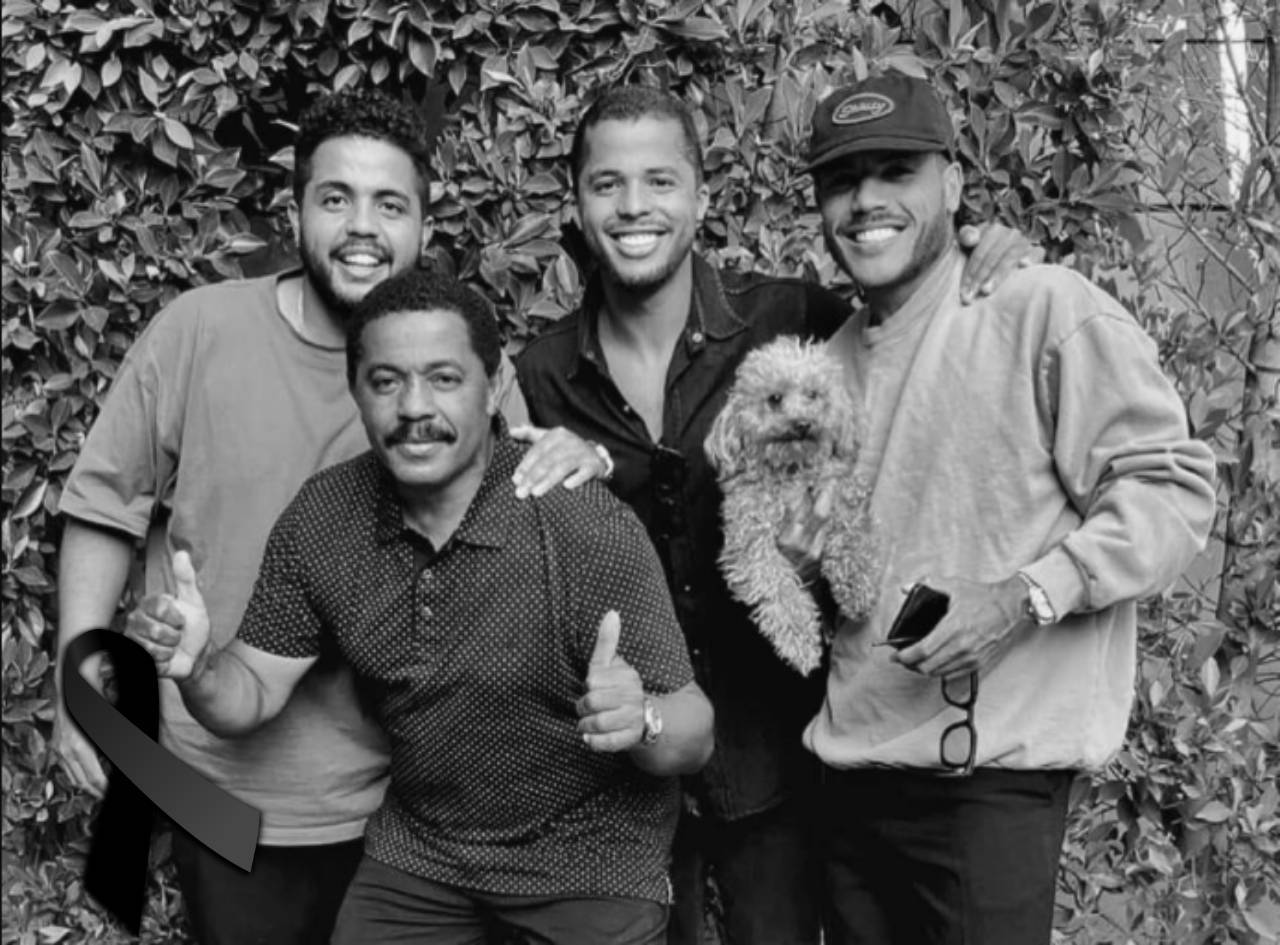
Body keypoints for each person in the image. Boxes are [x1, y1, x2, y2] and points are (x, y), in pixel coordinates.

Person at [52, 89, 606, 945]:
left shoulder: (463, 364)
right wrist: (76, 677)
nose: (362, 228)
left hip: (415, 809)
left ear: (424, 226)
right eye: (336, 198)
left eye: (389, 204)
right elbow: (102, 506)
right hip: (226, 793)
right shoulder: (198, 332)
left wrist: (584, 458)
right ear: (295, 211)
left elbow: (520, 534)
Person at [513, 85, 1040, 945]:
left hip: (783, 768)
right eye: (607, 184)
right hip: (622, 776)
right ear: (576, 202)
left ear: (701, 197)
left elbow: (912, 331)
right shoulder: (539, 376)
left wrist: (981, 252)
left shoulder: (793, 318)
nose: (634, 206)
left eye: (660, 181)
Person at [124, 268, 716, 945]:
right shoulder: (324, 519)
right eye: (386, 381)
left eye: (443, 378)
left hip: (589, 860)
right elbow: (250, 692)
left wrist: (640, 720)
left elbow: (695, 733)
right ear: (356, 390)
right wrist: (199, 668)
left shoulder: (583, 525)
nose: (413, 406)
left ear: (491, 387)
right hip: (427, 857)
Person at [798, 73, 1217, 945]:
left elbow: (1172, 491)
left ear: (953, 183)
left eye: (896, 172)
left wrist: (1022, 596)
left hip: (984, 790)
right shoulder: (823, 369)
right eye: (843, 180)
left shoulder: (1042, 306)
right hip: (849, 782)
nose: (866, 201)